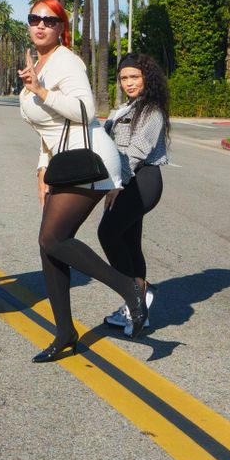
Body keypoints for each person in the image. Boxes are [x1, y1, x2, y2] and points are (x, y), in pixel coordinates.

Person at [17, 0, 148, 363]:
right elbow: (48, 129)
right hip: (64, 163)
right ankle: (65, 333)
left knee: (53, 238)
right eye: (34, 18)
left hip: (88, 159)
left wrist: (40, 90)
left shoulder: (67, 61)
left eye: (49, 20)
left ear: (61, 28)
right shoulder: (38, 64)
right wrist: (41, 170)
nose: (40, 25)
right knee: (49, 246)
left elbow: (84, 110)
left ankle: (129, 289)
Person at [98, 54, 169, 332]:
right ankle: (136, 310)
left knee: (107, 233)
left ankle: (138, 293)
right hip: (128, 178)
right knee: (129, 244)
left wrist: (118, 184)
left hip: (142, 180)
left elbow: (136, 152)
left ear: (146, 78)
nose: (129, 83)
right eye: (124, 78)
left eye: (134, 77)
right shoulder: (124, 109)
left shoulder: (152, 111)